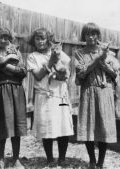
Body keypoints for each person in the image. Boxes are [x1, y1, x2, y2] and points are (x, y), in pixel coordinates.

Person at [74, 22, 120, 169]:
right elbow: (81, 73)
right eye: (88, 34)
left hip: (105, 92)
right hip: (89, 91)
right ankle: (92, 161)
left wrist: (105, 64)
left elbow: (116, 74)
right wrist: (97, 59)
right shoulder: (79, 53)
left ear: (98, 36)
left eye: (94, 34)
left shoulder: (109, 53)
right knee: (89, 127)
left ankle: (100, 162)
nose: (91, 37)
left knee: (104, 127)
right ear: (84, 36)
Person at [27, 27, 74, 167]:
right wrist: (51, 62)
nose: (40, 42)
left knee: (63, 126)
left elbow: (68, 72)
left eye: (43, 38)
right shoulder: (32, 56)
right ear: (33, 41)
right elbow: (38, 75)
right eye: (37, 39)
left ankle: (62, 158)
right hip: (44, 96)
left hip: (61, 96)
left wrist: (62, 73)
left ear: (48, 40)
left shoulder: (59, 53)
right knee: (46, 127)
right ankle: (49, 159)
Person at [0, 27, 27, 169]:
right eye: (0, 37)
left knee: (16, 126)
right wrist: (7, 60)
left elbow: (23, 72)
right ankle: (0, 158)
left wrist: (3, 65)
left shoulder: (16, 52)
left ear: (10, 39)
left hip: (15, 91)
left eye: (6, 37)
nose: (3, 40)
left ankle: (16, 159)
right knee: (0, 125)